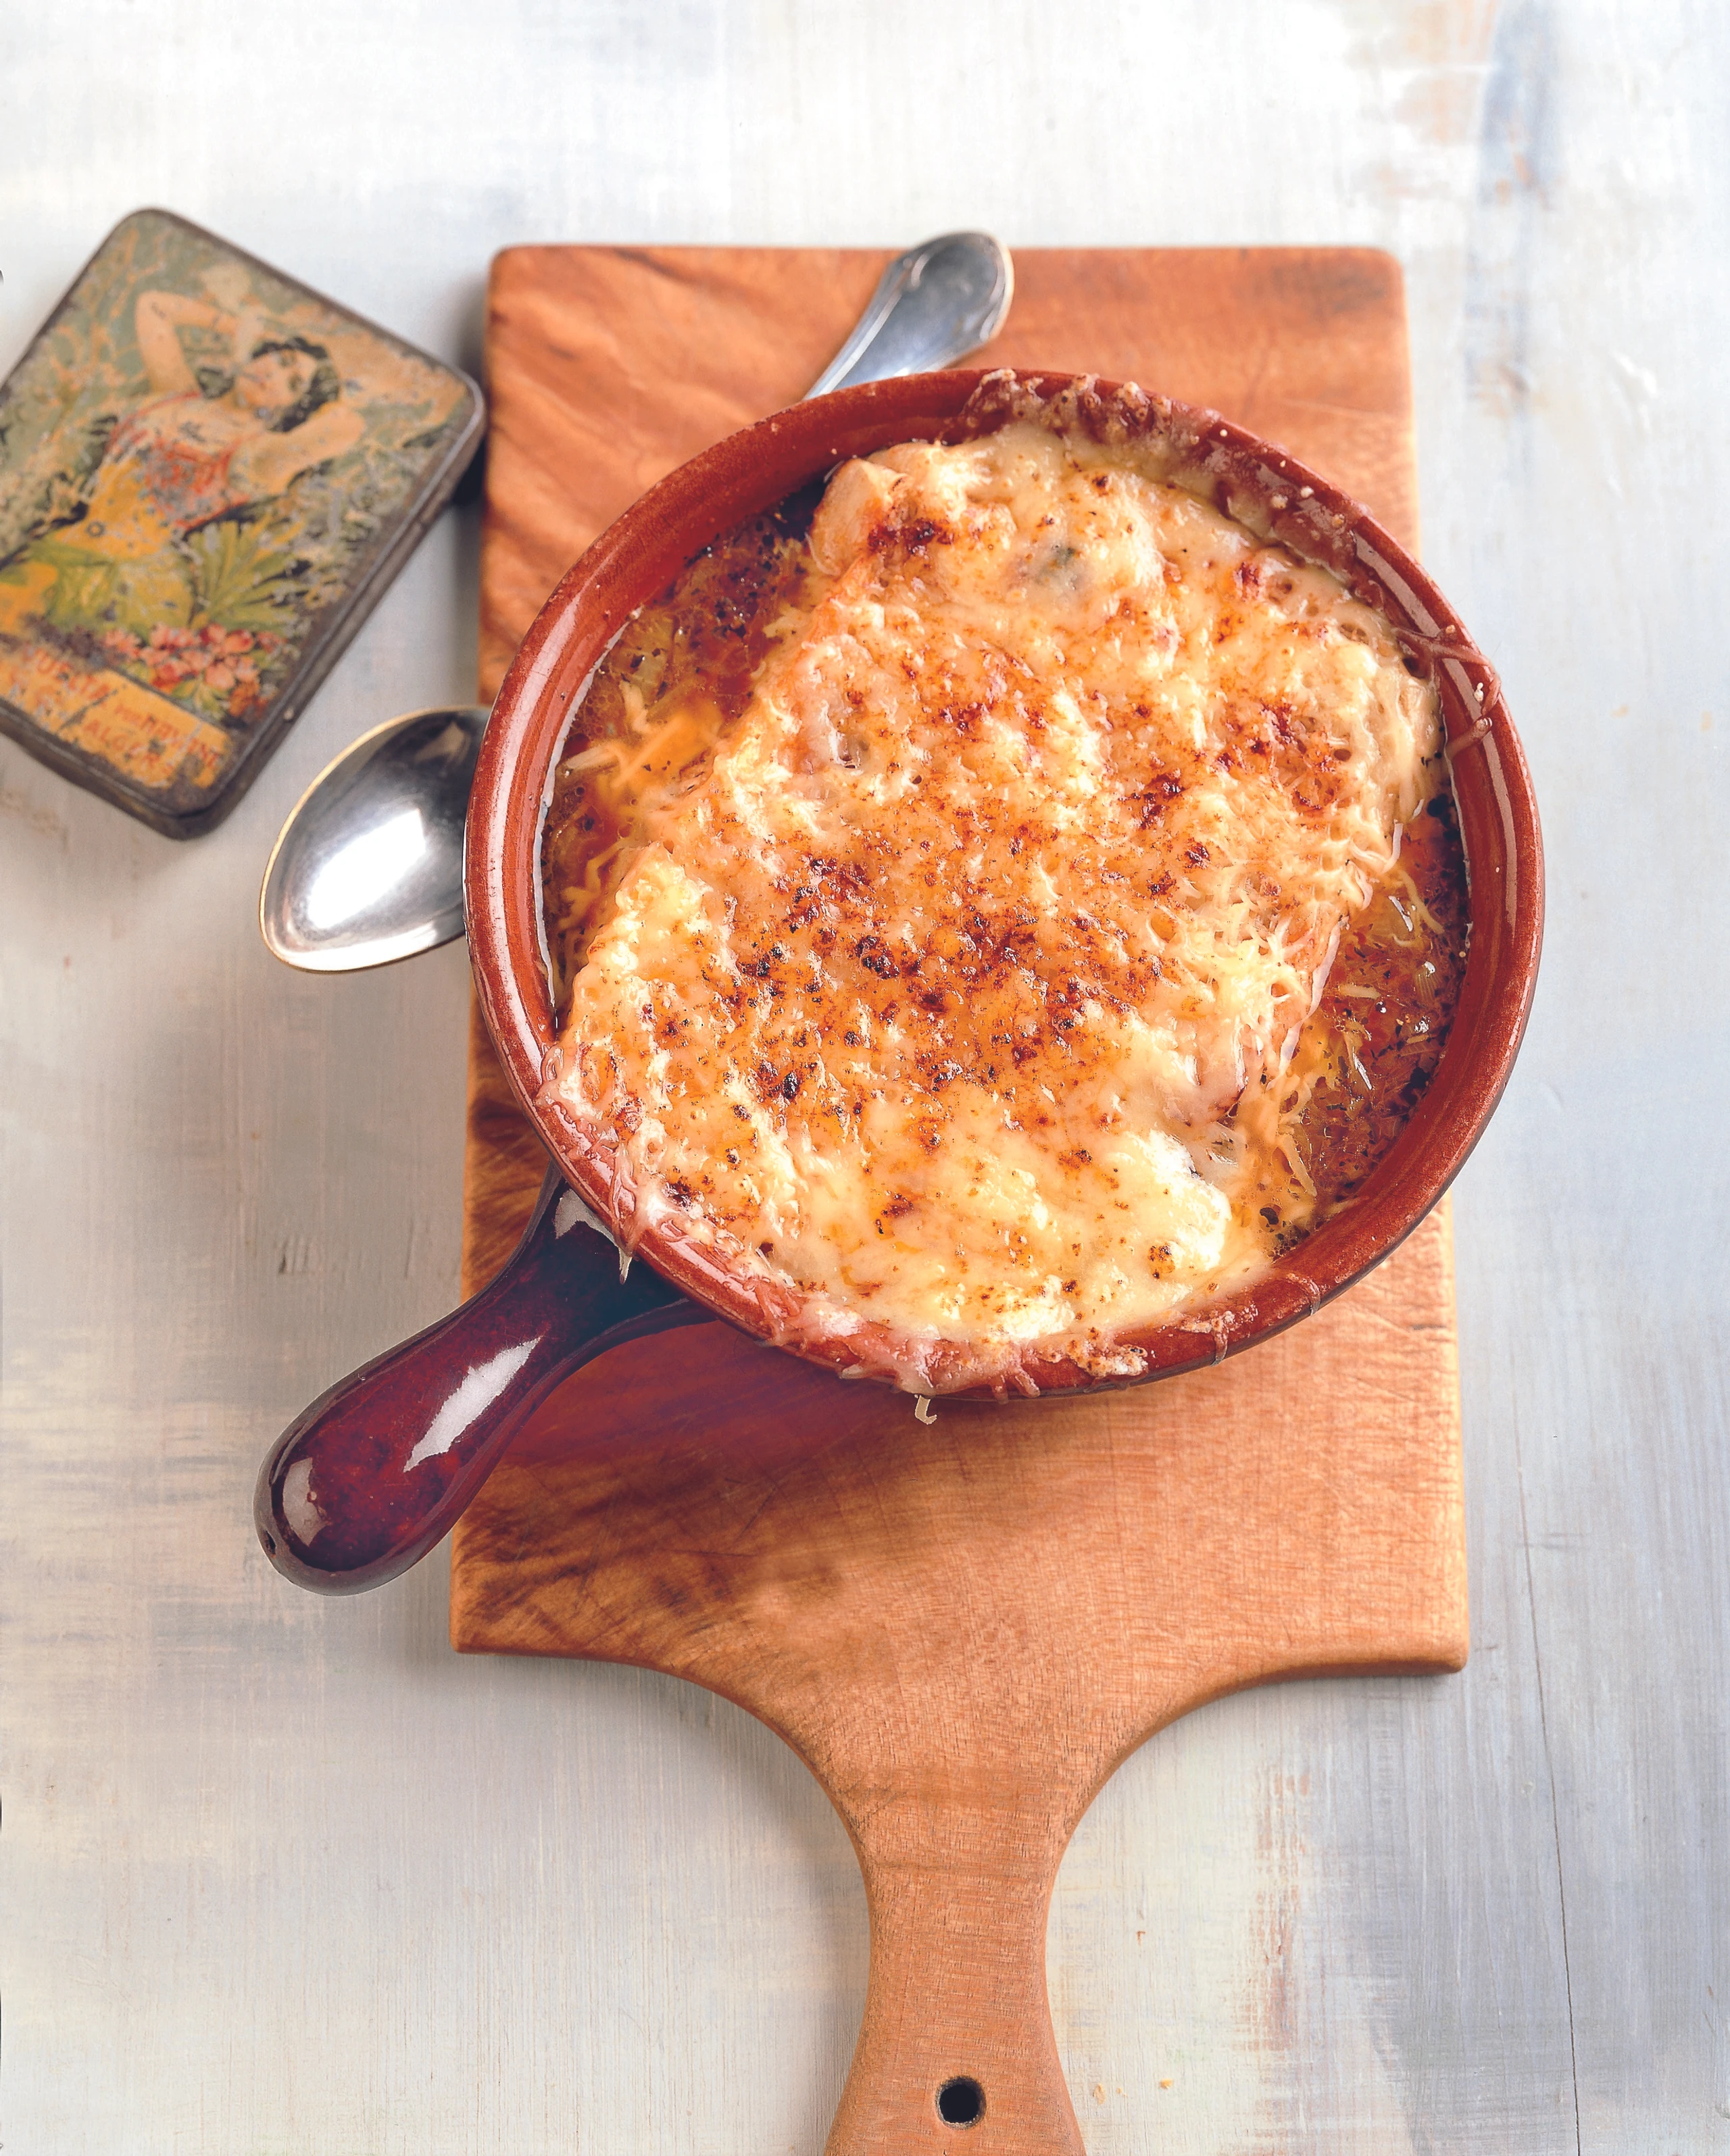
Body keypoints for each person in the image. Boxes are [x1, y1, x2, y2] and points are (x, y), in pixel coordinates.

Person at [0, 287, 364, 647]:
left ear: (293, 409)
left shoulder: (259, 457)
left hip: (125, 583)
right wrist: (240, 327)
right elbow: (153, 305)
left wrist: (329, 402)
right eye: (281, 359)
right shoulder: (179, 394)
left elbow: (347, 429)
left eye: (293, 383)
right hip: (69, 542)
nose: (273, 373)